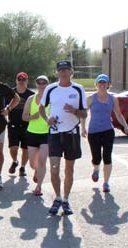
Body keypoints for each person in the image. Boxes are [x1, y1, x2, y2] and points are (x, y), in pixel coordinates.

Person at [40, 60, 87, 215]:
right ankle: (57, 197)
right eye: (61, 70)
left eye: (66, 70)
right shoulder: (50, 88)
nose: (63, 73)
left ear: (72, 72)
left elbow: (84, 113)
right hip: (54, 133)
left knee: (69, 170)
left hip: (71, 133)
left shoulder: (78, 89)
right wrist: (47, 119)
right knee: (54, 169)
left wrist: (74, 111)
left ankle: (66, 200)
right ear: (57, 73)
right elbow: (41, 108)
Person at [81, 74, 128, 193]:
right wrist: (82, 128)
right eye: (100, 83)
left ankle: (106, 183)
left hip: (108, 130)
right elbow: (84, 114)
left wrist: (125, 126)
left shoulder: (113, 99)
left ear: (108, 85)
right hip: (94, 131)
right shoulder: (91, 98)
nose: (102, 85)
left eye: (104, 83)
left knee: (107, 157)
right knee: (96, 157)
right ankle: (96, 169)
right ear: (96, 84)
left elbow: (118, 114)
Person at [22, 75, 51, 196]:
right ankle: (36, 171)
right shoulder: (30, 99)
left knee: (42, 161)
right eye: (39, 83)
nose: (41, 85)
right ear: (36, 85)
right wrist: (33, 117)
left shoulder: (52, 99)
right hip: (32, 133)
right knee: (33, 164)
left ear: (47, 85)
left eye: (44, 83)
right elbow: (24, 117)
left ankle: (39, 187)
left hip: (46, 134)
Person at [8, 72, 35, 177]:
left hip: (27, 125)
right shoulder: (11, 93)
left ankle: (23, 167)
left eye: (23, 80)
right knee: (13, 148)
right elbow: (5, 105)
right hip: (13, 125)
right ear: (16, 81)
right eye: (19, 80)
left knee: (25, 148)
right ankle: (15, 161)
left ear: (27, 81)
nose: (21, 82)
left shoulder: (31, 95)